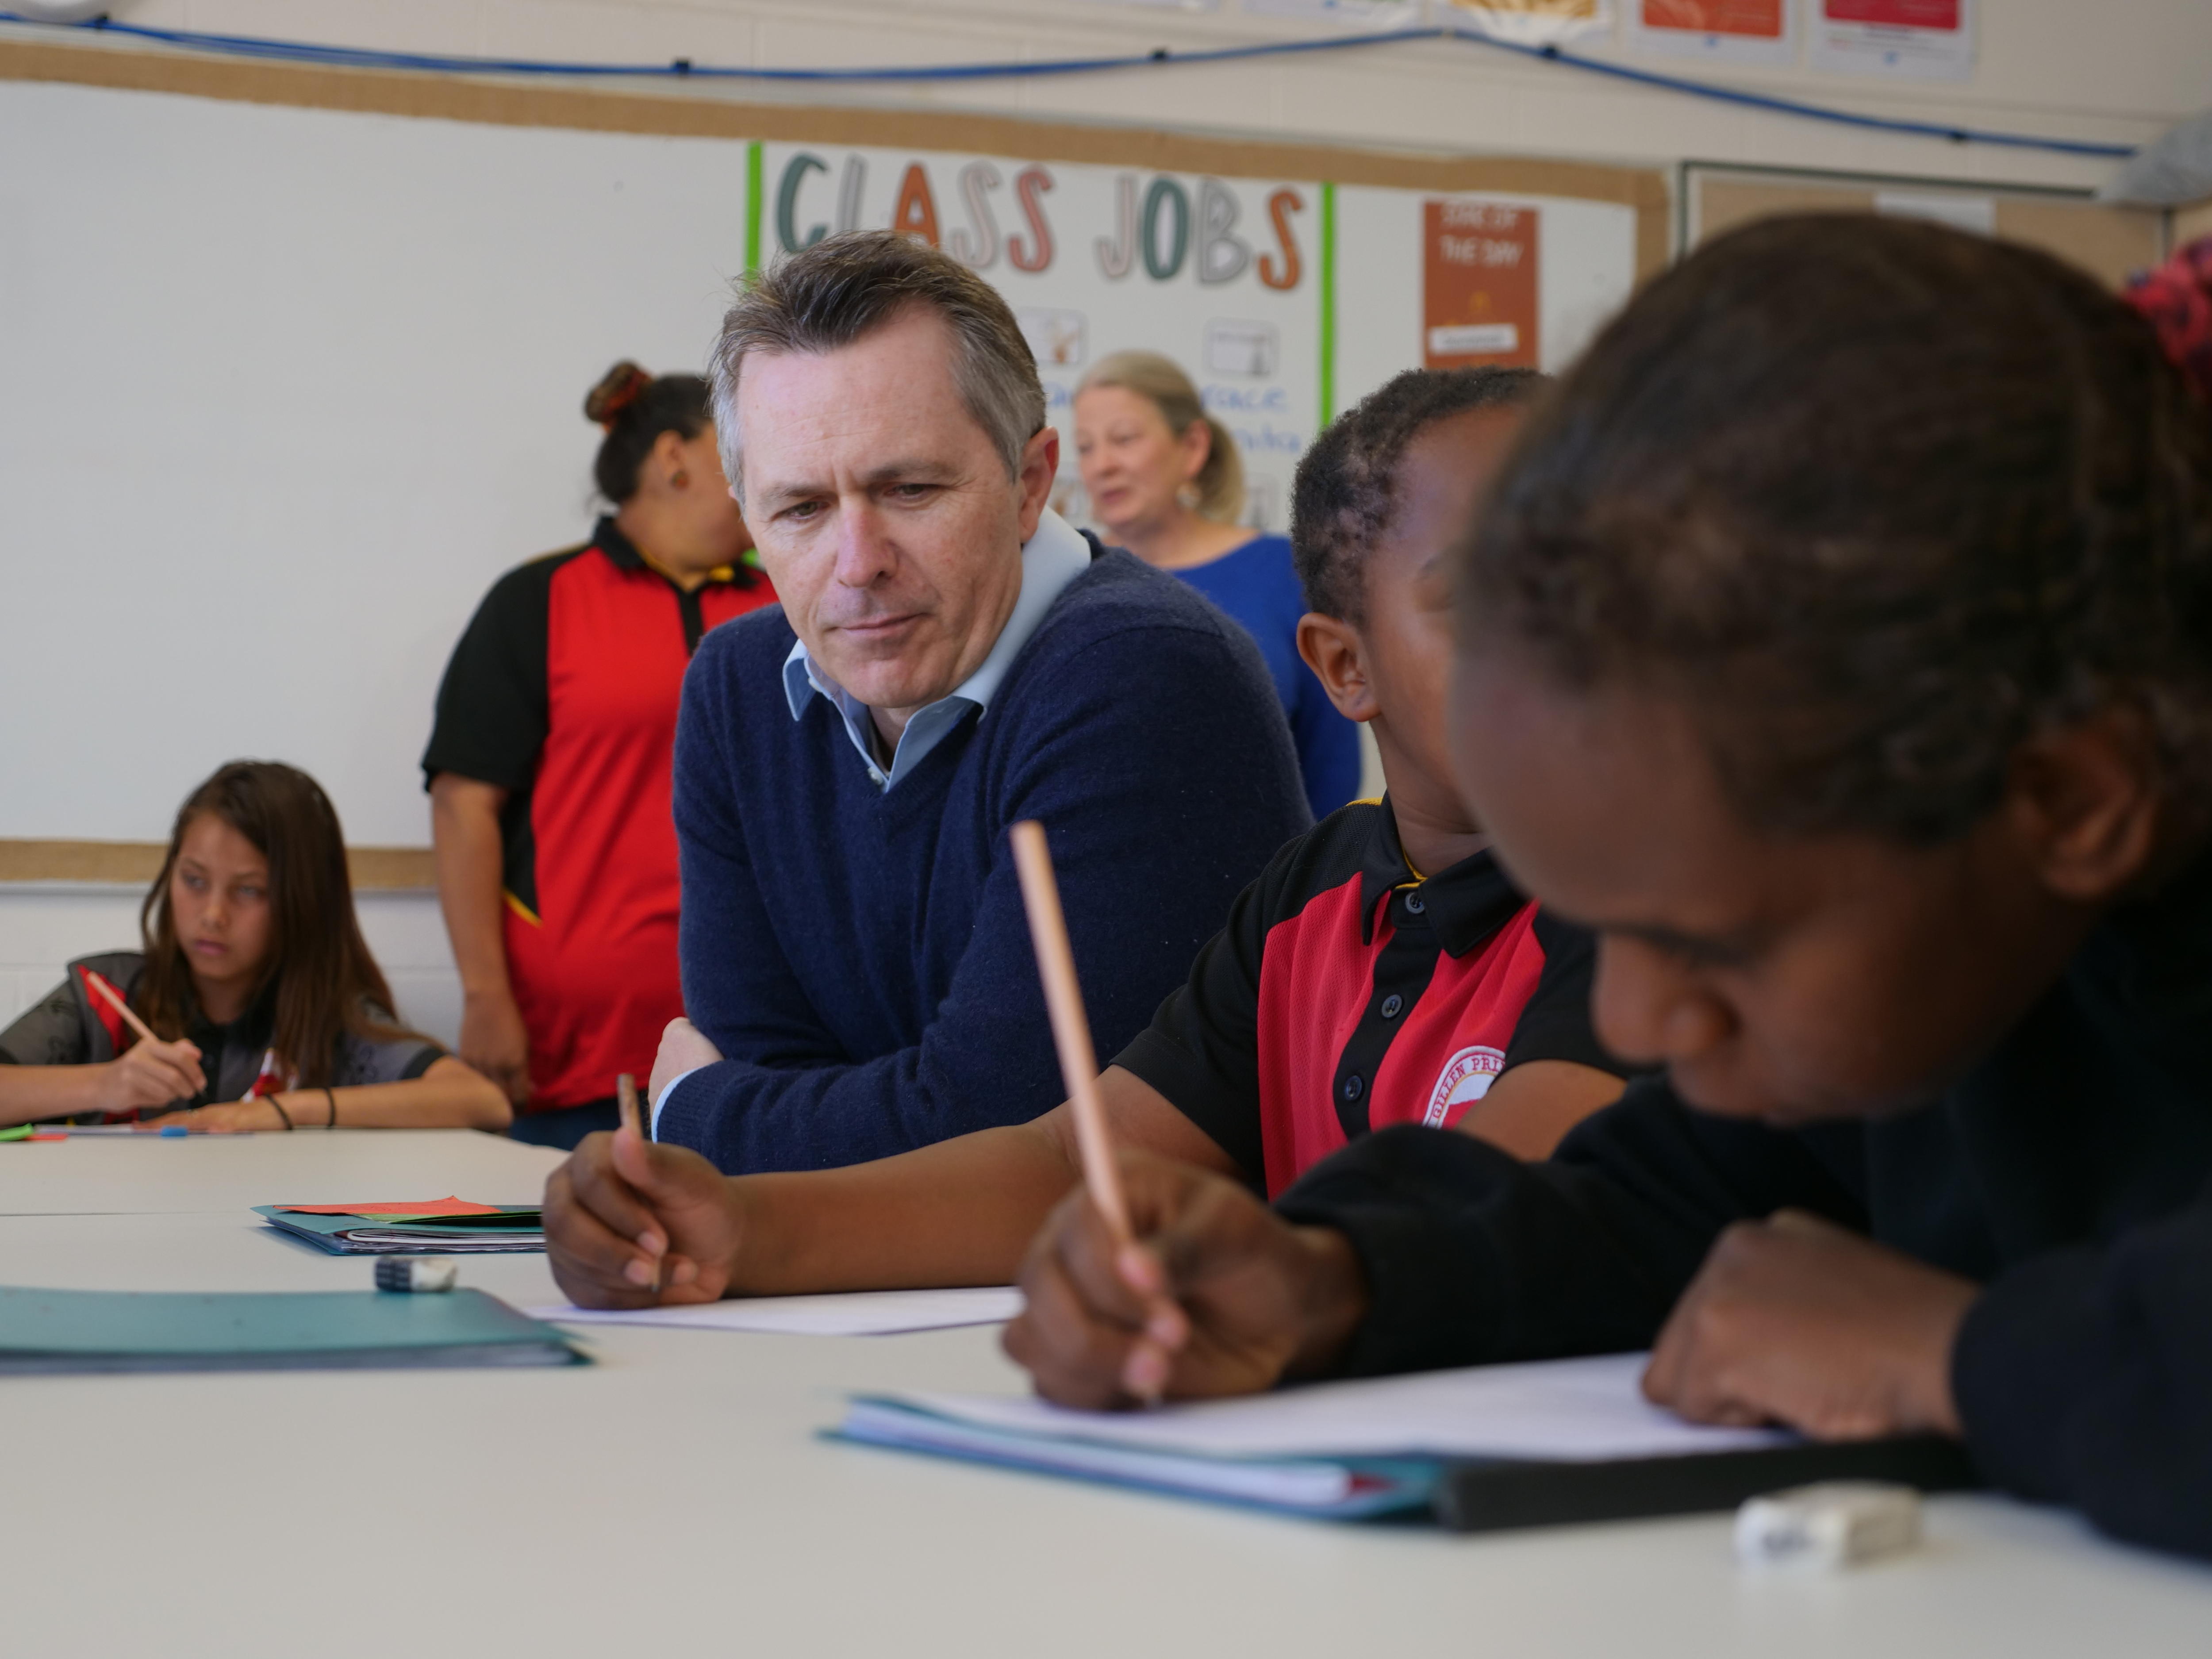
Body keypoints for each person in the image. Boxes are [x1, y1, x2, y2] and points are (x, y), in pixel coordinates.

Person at [995, 217, 2212, 1562]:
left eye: (1713, 939)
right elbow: (1644, 1205)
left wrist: (1959, 1356)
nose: (1632, 1020)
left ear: (2070, 804)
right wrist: (1334, 1277)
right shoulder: (1918, 951)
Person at [541, 366, 1632, 1308]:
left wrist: (1265, 1288)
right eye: (1488, 595)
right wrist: (735, 1228)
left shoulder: (1660, 914)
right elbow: (1069, 1162)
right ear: (1345, 667)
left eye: (1616, 584)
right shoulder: (1307, 903)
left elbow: (1501, 1196)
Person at [635, 229, 1309, 1175]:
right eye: (801, 511)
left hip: (1131, 1310)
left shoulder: (1144, 675)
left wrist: (701, 1116)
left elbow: (1015, 1141)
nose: (857, 563)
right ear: (747, 518)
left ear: (1030, 484)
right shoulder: (738, 690)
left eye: (908, 490)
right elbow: (796, 1088)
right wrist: (781, 1119)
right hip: (834, 1316)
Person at [424, 363, 776, 1149]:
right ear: (674, 459)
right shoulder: (538, 601)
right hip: (576, 1059)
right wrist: (485, 997)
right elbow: (462, 805)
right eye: (742, 448)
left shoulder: (783, 607)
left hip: (759, 1048)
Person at [0, 761, 509, 1132]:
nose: (213, 914)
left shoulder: (327, 1019)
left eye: (249, 891)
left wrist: (280, 1112)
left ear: (301, 902)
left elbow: (483, 1101)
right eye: (194, 880)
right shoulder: (103, 993)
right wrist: (103, 1085)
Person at [1075, 351, 1361, 821]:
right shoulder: (1067, 576)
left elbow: (1332, 770)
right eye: (1085, 447)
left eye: (1123, 439)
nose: (1100, 465)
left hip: (1272, 885)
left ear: (1191, 446)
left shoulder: (1287, 571)